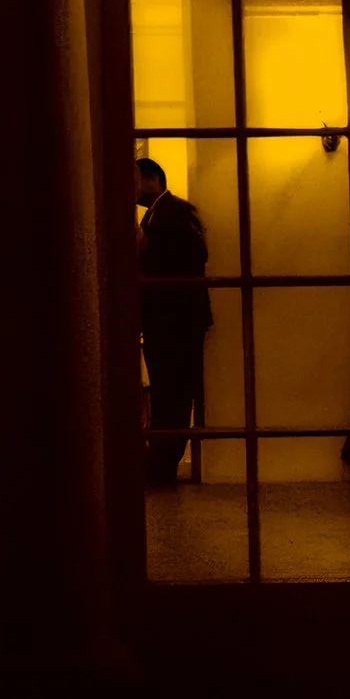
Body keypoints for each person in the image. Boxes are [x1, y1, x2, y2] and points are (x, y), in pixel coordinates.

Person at [137, 158, 212, 486]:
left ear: (152, 180)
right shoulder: (159, 213)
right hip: (167, 318)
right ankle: (162, 461)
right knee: (167, 391)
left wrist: (145, 258)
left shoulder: (175, 212)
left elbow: (193, 256)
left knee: (173, 391)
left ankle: (164, 465)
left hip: (175, 319)